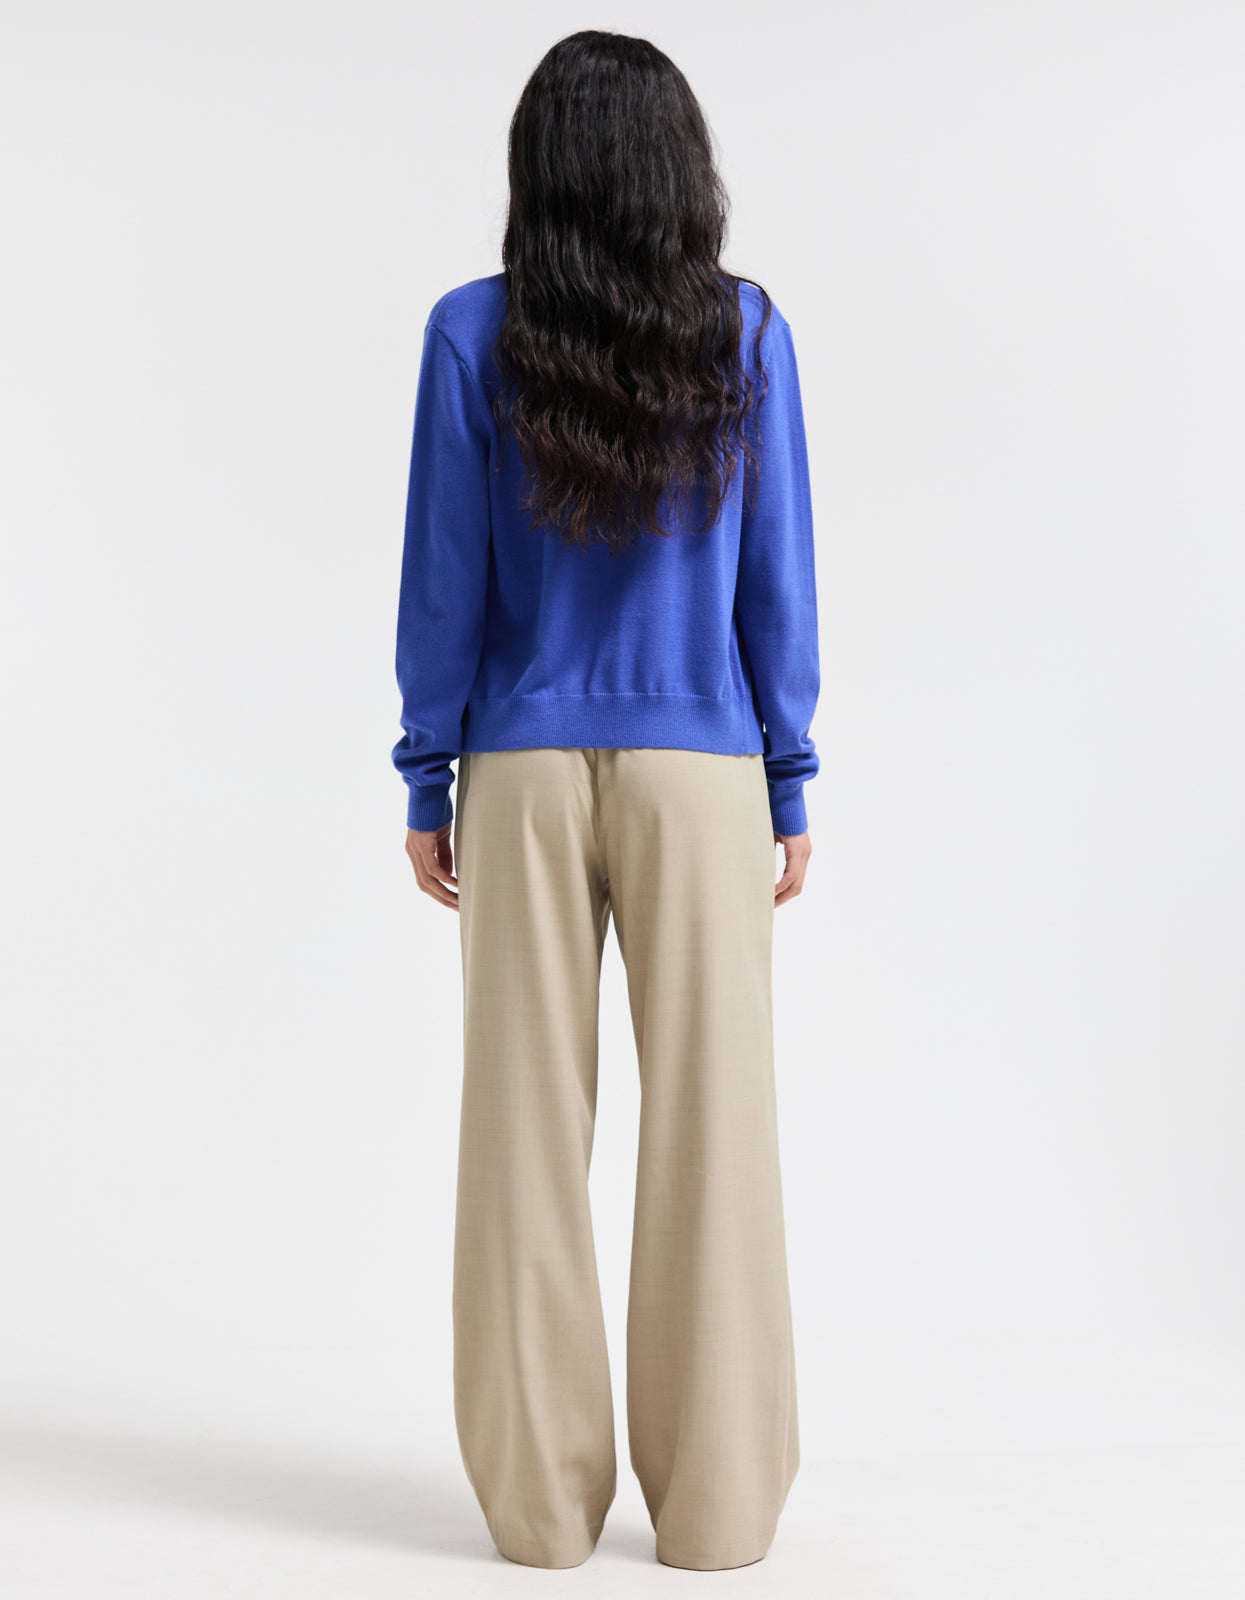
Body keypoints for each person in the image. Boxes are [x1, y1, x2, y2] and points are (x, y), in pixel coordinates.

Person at [391, 29, 819, 1573]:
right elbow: (775, 576)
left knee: (519, 1130)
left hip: (516, 768)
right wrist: (786, 772)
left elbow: (445, 578)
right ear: (676, 168)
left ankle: (536, 1513)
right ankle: (716, 1513)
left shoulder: (472, 331)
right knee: (716, 1129)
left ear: (539, 166)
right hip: (702, 768)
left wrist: (426, 765)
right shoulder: (743, 332)